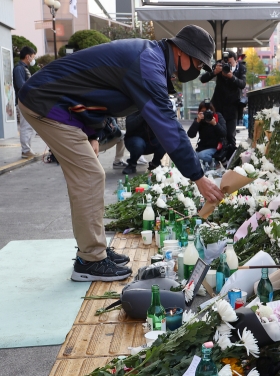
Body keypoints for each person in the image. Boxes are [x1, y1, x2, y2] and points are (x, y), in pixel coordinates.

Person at [17, 25, 225, 282]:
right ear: (182, 52)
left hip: (61, 105)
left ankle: (94, 251)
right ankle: (90, 260)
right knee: (90, 176)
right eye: (198, 63)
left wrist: (92, 134)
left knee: (88, 176)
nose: (198, 71)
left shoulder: (152, 58)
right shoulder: (149, 63)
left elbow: (95, 90)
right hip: (46, 102)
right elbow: (168, 124)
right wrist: (197, 176)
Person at [200, 50, 246, 148]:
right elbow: (203, 79)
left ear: (236, 61)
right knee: (216, 134)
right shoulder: (219, 66)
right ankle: (217, 159)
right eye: (226, 63)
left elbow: (242, 84)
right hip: (218, 106)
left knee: (230, 135)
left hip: (232, 108)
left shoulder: (241, 68)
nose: (227, 66)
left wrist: (232, 77)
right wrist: (214, 72)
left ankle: (230, 159)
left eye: (230, 63)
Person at [13, 46, 38, 159]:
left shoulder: (24, 68)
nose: (33, 59)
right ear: (28, 56)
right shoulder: (19, 68)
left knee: (29, 126)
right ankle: (26, 150)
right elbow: (20, 85)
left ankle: (28, 149)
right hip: (23, 101)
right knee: (26, 126)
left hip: (27, 101)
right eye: (33, 57)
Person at [187, 100, 227, 170]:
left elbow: (224, 133)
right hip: (202, 148)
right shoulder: (199, 120)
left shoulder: (217, 116)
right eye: (203, 111)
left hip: (215, 148)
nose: (206, 114)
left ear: (213, 110)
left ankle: (216, 163)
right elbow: (190, 135)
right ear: (199, 112)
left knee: (201, 156)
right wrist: (197, 122)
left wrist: (215, 124)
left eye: (208, 111)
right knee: (192, 157)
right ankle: (212, 167)